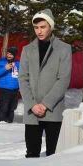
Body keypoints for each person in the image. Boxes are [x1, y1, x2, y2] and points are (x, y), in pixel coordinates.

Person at [19, 9, 72, 157]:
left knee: (53, 155)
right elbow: (23, 78)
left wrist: (45, 104)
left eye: (43, 27)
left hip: (53, 110)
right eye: (36, 28)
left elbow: (63, 79)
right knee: (31, 154)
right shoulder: (27, 50)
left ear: (51, 26)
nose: (39, 31)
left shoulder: (64, 49)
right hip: (32, 111)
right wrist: (32, 104)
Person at [0, 46, 20, 123]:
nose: (8, 55)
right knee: (3, 108)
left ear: (14, 55)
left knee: (12, 108)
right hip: (4, 89)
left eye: (11, 54)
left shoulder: (18, 63)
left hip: (15, 89)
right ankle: (1, 124)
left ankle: (9, 124)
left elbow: (22, 76)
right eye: (8, 53)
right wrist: (5, 68)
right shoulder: (1, 62)